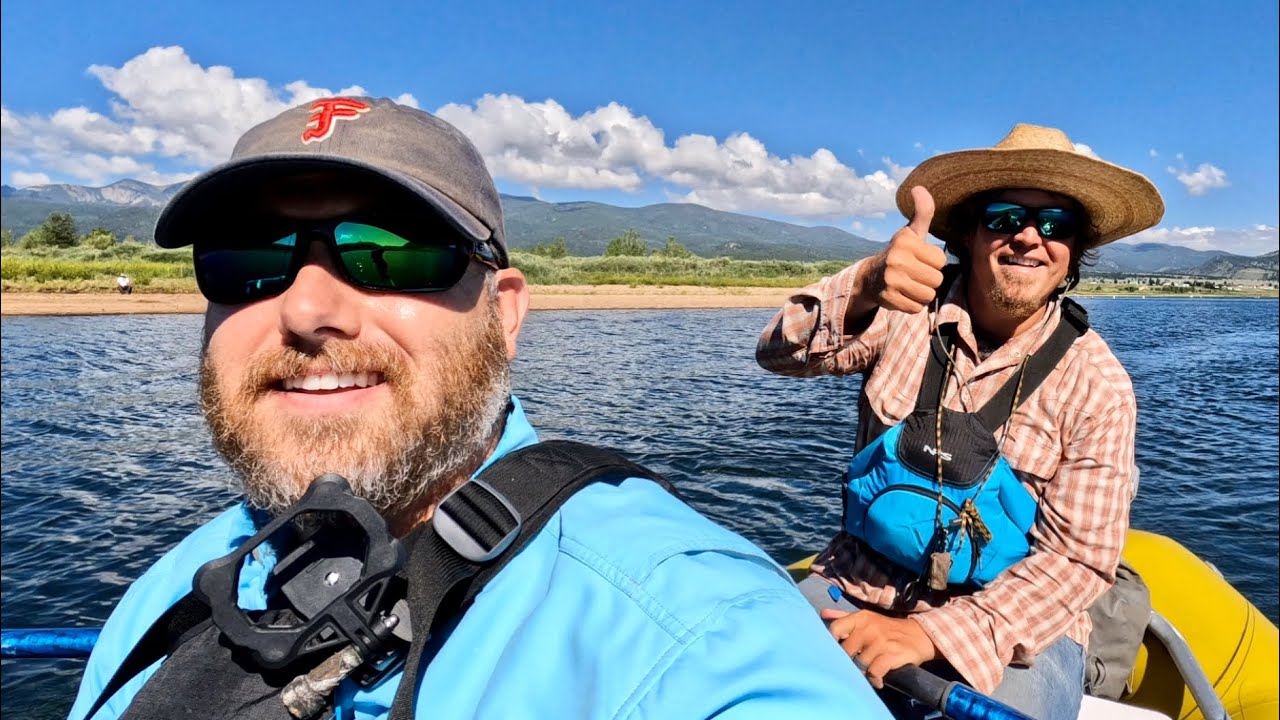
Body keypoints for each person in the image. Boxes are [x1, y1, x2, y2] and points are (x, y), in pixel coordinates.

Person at [67, 97, 891, 720]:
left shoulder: (693, 631)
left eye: (391, 252)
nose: (307, 308)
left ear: (504, 314)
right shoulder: (160, 601)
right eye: (247, 261)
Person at [756, 124, 1163, 719]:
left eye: (1055, 225)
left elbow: (1078, 560)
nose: (1028, 237)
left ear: (1074, 252)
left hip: (1018, 630)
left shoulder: (1100, 387)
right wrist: (867, 284)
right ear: (970, 233)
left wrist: (931, 636)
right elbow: (777, 353)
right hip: (857, 579)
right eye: (1005, 217)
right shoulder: (902, 314)